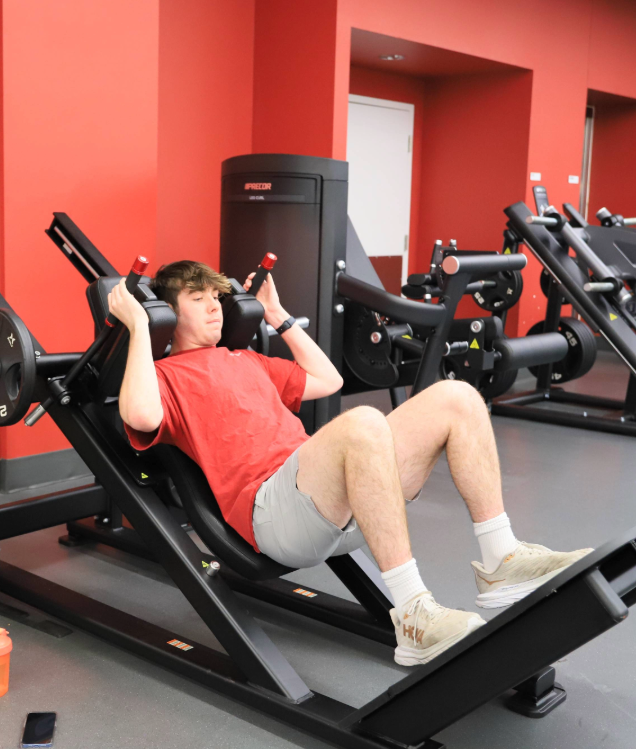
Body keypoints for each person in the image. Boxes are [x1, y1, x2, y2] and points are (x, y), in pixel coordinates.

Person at [108, 260, 591, 667]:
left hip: (341, 503)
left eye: (217, 297)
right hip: (273, 513)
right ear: (166, 313)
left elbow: (329, 380)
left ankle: (501, 558)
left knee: (457, 397)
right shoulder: (162, 376)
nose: (215, 306)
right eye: (198, 299)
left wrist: (278, 316)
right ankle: (413, 613)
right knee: (362, 422)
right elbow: (141, 415)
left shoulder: (245, 360)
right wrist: (139, 326)